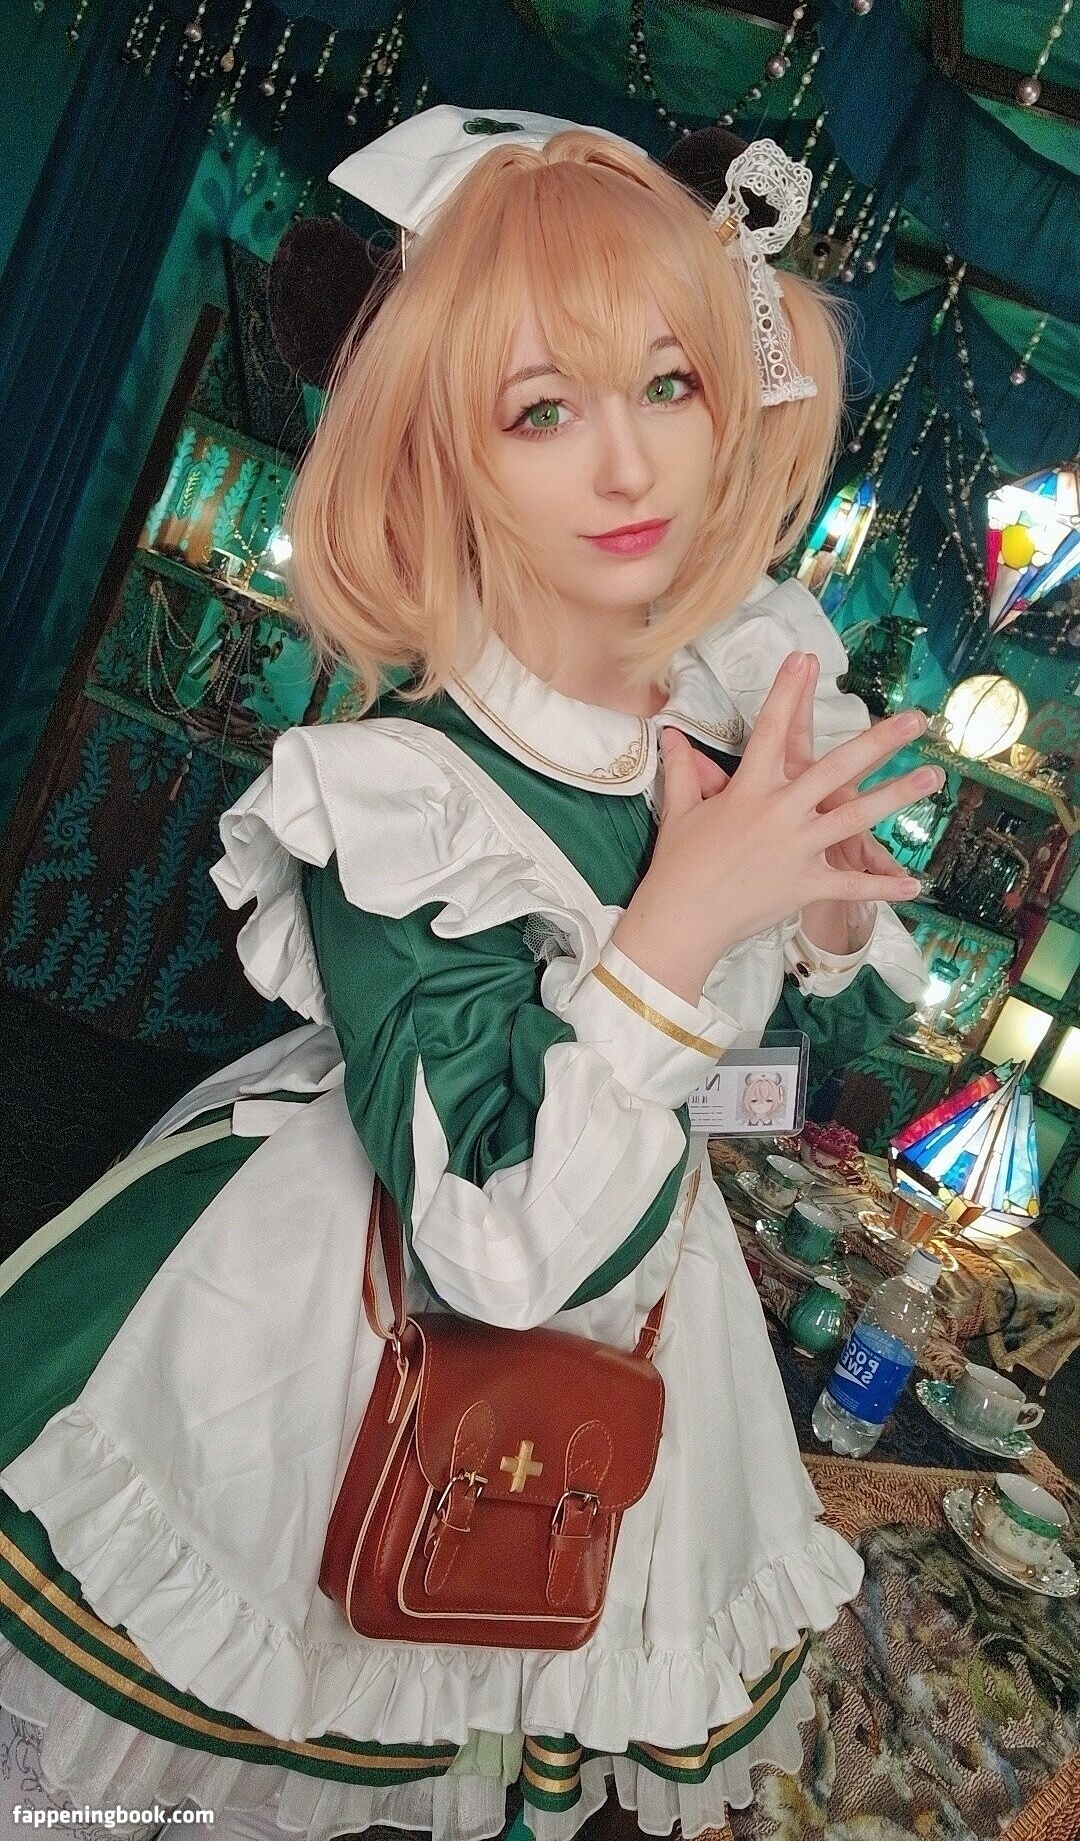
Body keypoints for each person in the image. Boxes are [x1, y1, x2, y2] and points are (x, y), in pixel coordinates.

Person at [0, 105, 935, 1841]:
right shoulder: (399, 798)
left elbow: (821, 1012)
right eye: (541, 410)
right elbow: (495, 1248)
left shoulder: (721, 707)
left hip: (644, 1351)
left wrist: (802, 910)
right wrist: (678, 926)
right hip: (326, 1347)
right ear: (443, 455)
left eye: (669, 384)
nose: (631, 466)